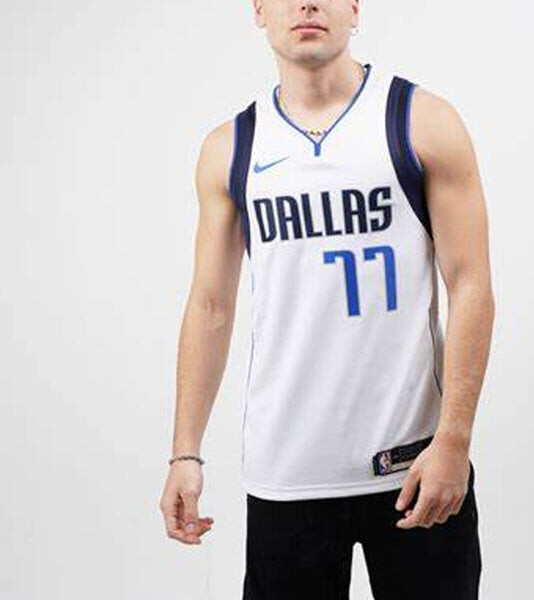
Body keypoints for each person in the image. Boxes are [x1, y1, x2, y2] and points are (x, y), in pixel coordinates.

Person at [159, 1, 495, 598]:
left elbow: (469, 283)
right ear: (259, 11)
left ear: (355, 7)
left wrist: (454, 440)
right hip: (287, 473)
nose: (308, 4)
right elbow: (211, 305)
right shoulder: (231, 148)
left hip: (414, 465)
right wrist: (185, 452)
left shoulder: (420, 121)